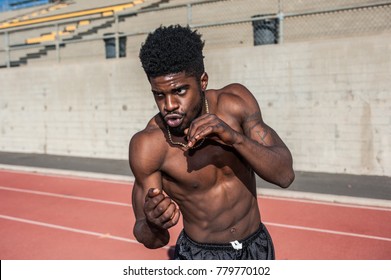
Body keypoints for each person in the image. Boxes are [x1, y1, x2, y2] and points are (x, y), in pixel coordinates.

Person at [129, 25, 294, 260]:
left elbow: (285, 175)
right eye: (159, 94)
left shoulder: (235, 104)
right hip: (200, 255)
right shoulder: (149, 145)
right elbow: (151, 238)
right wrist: (154, 224)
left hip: (256, 247)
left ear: (202, 81)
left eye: (180, 91)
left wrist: (235, 139)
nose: (169, 105)